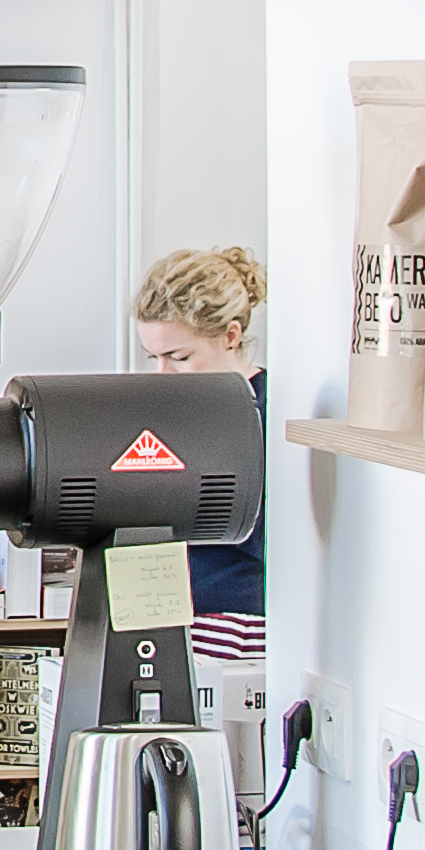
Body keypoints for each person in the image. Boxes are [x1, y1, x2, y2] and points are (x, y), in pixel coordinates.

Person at [135, 244, 269, 663]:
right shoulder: (175, 413)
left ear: (230, 336)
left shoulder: (270, 413)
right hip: (174, 612)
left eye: (179, 357)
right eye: (153, 358)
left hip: (240, 621)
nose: (162, 374)